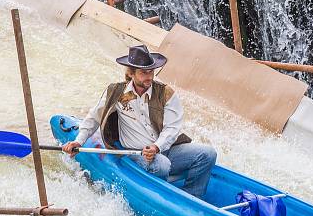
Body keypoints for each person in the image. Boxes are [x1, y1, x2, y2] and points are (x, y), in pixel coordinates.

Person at [62, 45, 217, 198]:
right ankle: (161, 196)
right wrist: (79, 141)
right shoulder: (117, 93)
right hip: (136, 153)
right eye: (143, 72)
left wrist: (157, 147)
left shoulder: (165, 93)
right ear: (131, 73)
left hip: (164, 149)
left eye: (151, 71)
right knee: (162, 165)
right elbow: (94, 117)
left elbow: (172, 128)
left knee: (208, 154)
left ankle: (191, 197)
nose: (149, 76)